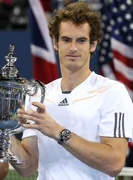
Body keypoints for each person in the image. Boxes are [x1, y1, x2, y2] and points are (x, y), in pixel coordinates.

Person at [10, 2, 133, 179]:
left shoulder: (113, 92)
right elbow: (28, 167)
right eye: (66, 40)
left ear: (93, 45)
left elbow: (114, 164)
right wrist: (1, 132)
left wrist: (59, 132)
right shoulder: (38, 94)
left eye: (81, 40)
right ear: (55, 43)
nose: (73, 48)